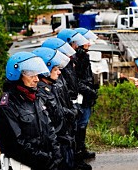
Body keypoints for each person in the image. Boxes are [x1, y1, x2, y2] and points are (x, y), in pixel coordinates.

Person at [0, 52, 63, 170]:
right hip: (26, 165)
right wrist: (46, 160)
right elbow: (16, 145)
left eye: (37, 74)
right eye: (31, 75)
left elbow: (49, 128)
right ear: (17, 76)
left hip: (46, 162)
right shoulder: (7, 106)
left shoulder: (34, 97)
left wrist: (56, 153)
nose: (36, 79)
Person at [41, 38, 93, 169]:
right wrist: (71, 111)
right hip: (61, 126)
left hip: (68, 116)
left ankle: (76, 160)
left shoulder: (62, 70)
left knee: (72, 141)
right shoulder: (48, 83)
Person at [32, 47, 79, 170]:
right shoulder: (41, 93)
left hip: (63, 140)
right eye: (56, 69)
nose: (59, 72)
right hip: (58, 144)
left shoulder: (50, 87)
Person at [73, 27, 99, 159]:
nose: (89, 43)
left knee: (83, 124)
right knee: (79, 124)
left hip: (86, 97)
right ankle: (78, 151)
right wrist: (89, 91)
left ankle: (81, 149)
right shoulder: (77, 57)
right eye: (86, 41)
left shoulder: (84, 55)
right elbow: (76, 81)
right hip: (80, 97)